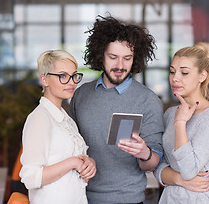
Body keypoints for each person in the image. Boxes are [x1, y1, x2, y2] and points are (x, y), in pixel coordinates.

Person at [70, 14, 164, 204]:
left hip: (128, 199)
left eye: (127, 58)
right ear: (100, 55)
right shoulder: (81, 95)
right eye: (113, 57)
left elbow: (154, 162)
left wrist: (144, 153)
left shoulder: (148, 100)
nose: (120, 66)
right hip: (80, 197)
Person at [19, 50, 97, 204]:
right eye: (62, 76)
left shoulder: (66, 120)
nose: (72, 82)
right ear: (44, 80)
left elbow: (70, 166)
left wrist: (87, 164)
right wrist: (73, 162)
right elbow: (31, 177)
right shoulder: (39, 118)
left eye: (74, 75)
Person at [153, 42, 209, 204]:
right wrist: (178, 179)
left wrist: (180, 124)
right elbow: (158, 166)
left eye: (184, 73)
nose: (175, 78)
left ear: (202, 76)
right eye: (172, 72)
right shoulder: (170, 114)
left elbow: (189, 171)